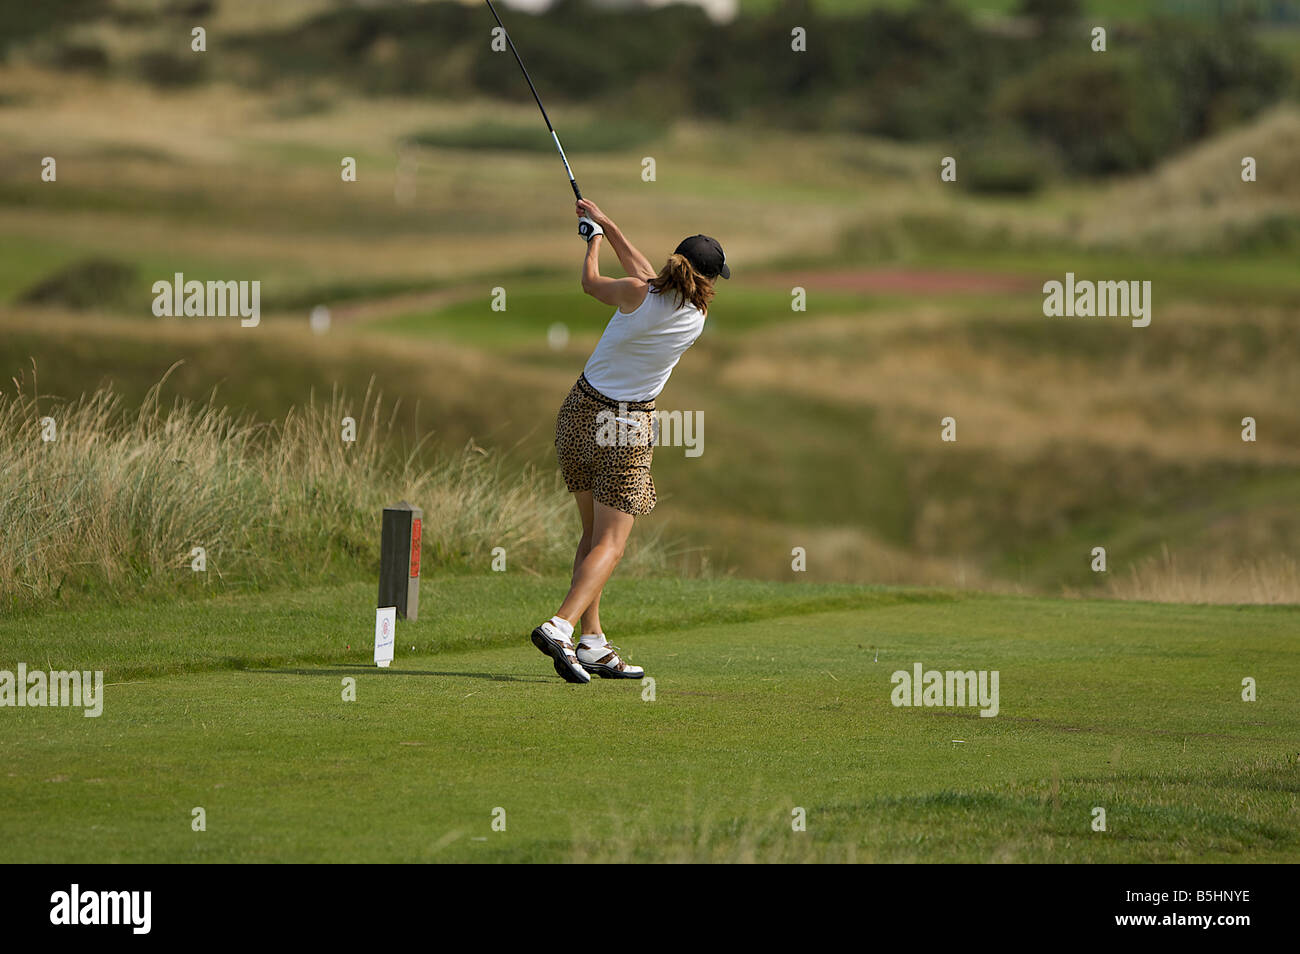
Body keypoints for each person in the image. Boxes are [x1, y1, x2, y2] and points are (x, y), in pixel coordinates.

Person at [529, 198, 729, 684]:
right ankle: (560, 625)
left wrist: (595, 238)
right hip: (624, 425)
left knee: (594, 538)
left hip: (577, 412)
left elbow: (592, 283)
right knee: (612, 544)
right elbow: (646, 278)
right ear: (705, 280)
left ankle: (592, 643)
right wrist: (607, 226)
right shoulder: (694, 318)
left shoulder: (635, 292)